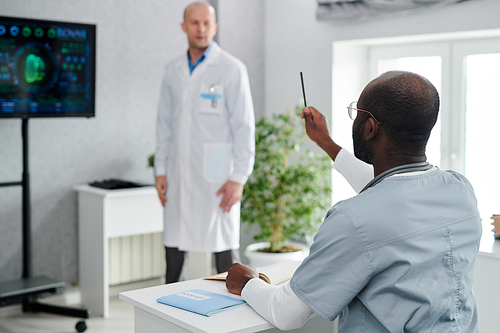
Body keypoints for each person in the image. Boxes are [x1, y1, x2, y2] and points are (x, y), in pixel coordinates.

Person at [226, 71, 481, 332]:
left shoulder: (354, 219)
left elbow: (286, 313)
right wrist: (326, 143)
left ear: (370, 127)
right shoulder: (460, 190)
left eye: (356, 112)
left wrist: (247, 282)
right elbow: (391, 193)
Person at [155, 1, 255, 283]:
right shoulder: (172, 70)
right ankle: (168, 311)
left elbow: (244, 127)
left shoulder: (232, 69)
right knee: (174, 250)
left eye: (206, 23)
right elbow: (163, 124)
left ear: (215, 27)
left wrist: (239, 177)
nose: (201, 29)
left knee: (224, 252)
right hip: (178, 173)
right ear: (184, 26)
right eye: (194, 23)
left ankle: (234, 315)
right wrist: (160, 170)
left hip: (218, 175)